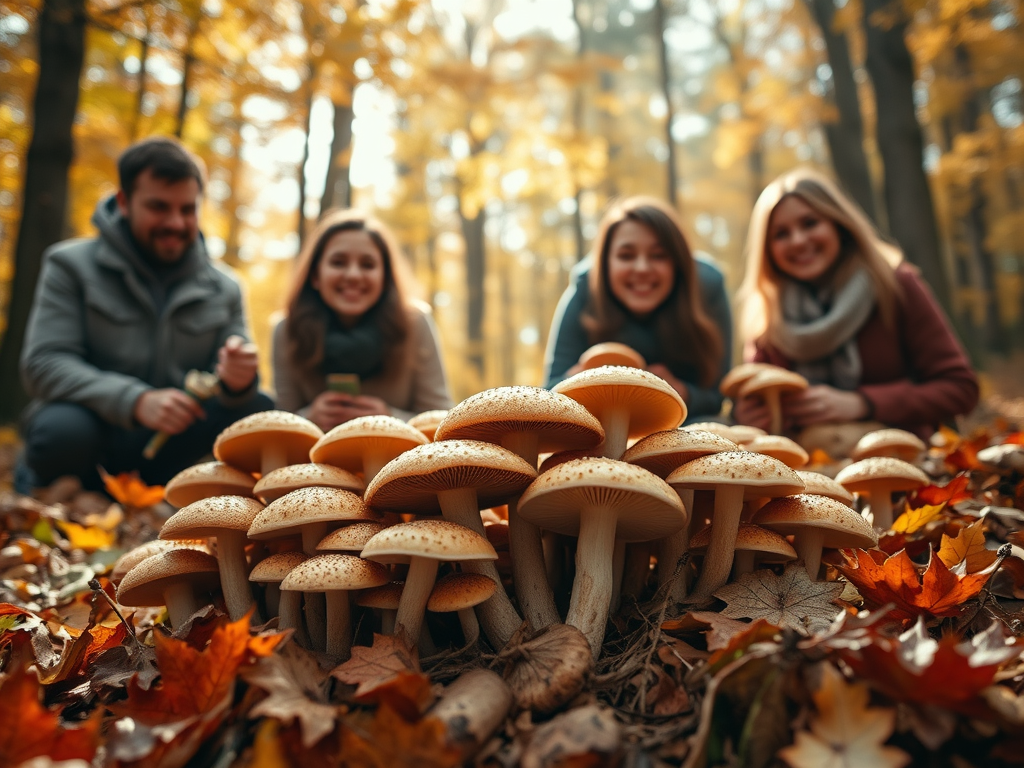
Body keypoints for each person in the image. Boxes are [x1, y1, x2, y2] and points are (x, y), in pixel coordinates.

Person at [19, 136, 273, 492]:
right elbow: (44, 364)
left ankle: (190, 499)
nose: (176, 222)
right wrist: (134, 401)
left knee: (261, 411)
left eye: (188, 209)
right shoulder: (69, 265)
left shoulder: (225, 286)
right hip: (96, 435)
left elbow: (241, 389)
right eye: (159, 207)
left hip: (177, 441)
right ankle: (66, 493)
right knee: (61, 429)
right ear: (124, 202)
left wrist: (240, 380)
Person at [732, 168, 978, 439]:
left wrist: (863, 403)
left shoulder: (895, 285)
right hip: (806, 473)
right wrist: (749, 417)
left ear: (838, 223)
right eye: (781, 234)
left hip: (904, 463)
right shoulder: (767, 316)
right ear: (767, 250)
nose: (799, 241)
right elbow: (751, 407)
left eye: (810, 223)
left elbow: (960, 388)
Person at [543, 196, 731, 419]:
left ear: (678, 264)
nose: (642, 268)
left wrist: (682, 392)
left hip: (687, 425)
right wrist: (580, 377)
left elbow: (718, 394)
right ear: (605, 263)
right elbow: (549, 393)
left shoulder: (707, 287)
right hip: (601, 425)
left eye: (658, 256)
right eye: (626, 256)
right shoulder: (585, 288)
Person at [272, 209, 452, 430]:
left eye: (368, 265)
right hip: (317, 463)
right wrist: (309, 417)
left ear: (385, 278)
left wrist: (389, 418)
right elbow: (280, 423)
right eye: (338, 262)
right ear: (315, 276)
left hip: (399, 463)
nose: (354, 275)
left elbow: (442, 420)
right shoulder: (287, 330)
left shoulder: (415, 324)